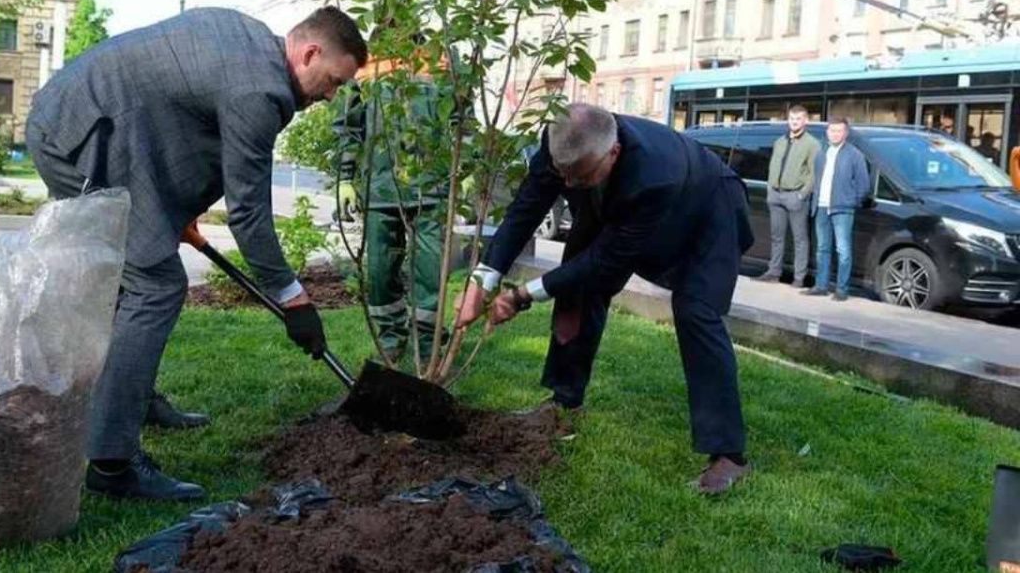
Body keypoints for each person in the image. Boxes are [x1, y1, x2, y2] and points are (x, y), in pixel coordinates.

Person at [26, 6, 367, 502]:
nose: (331, 95)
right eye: (333, 80)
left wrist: (173, 214)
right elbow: (248, 213)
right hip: (76, 138)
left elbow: (178, 119)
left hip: (98, 126)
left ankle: (132, 398)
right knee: (156, 285)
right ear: (309, 52)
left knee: (138, 275)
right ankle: (110, 462)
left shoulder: (250, 42)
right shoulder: (260, 90)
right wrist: (293, 297)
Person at [455, 103, 755, 494]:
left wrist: (524, 294)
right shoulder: (562, 144)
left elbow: (605, 259)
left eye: (579, 176)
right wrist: (482, 279)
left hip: (710, 208)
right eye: (563, 174)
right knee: (577, 291)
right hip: (614, 202)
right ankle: (565, 402)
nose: (569, 184)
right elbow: (527, 207)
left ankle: (728, 454)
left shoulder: (653, 176)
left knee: (696, 310)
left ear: (612, 153)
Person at [334, 55, 449, 365]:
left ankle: (428, 345)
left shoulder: (439, 58)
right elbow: (349, 125)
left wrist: (465, 168)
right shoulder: (362, 65)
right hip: (381, 188)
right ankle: (391, 337)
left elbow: (460, 117)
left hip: (431, 188)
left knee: (430, 271)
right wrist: (345, 178)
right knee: (380, 273)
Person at [803, 118, 870, 302]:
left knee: (843, 250)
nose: (835, 134)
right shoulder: (821, 152)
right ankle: (821, 286)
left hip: (842, 208)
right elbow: (816, 178)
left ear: (846, 133)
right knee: (822, 248)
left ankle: (841, 289)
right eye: (832, 130)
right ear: (827, 132)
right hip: (822, 206)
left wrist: (850, 201)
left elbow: (864, 185)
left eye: (839, 131)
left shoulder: (855, 155)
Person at [756, 105, 820, 287]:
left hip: (795, 196)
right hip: (776, 195)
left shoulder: (812, 144)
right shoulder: (780, 141)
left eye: (798, 118)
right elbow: (772, 166)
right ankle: (774, 272)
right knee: (777, 236)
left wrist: (802, 194)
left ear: (806, 121)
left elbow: (814, 173)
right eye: (792, 118)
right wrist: (770, 190)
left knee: (800, 239)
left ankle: (799, 277)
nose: (794, 122)